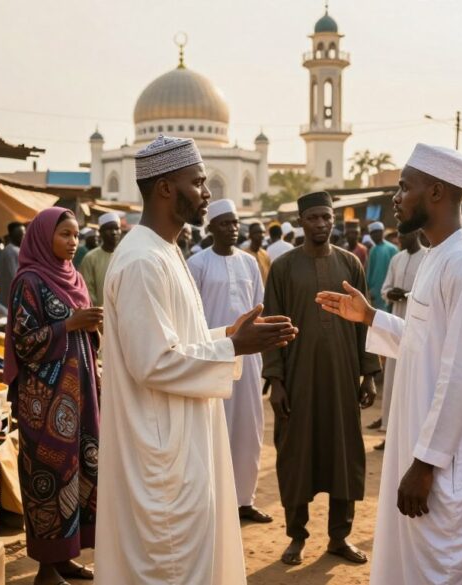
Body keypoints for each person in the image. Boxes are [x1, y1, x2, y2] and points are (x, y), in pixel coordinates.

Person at [94, 136, 296, 584]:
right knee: (172, 567)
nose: (207, 192)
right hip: (163, 456)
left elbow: (175, 339)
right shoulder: (143, 260)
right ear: (166, 188)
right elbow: (153, 361)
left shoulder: (165, 250)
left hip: (182, 443)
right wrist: (233, 347)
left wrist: (228, 333)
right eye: (198, 181)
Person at [316, 143, 462, 584]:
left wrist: (426, 463)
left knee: (443, 568)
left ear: (437, 192)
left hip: (449, 460)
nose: (396, 197)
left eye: (405, 187)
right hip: (428, 448)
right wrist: (371, 317)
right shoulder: (436, 254)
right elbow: (429, 342)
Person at [263, 191, 380, 567]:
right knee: (296, 456)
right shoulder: (283, 268)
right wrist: (276, 380)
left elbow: (365, 323)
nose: (321, 224)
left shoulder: (350, 264)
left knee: (343, 455)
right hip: (298, 380)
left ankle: (339, 537)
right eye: (313, 218)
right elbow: (272, 327)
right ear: (301, 222)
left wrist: (369, 374)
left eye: (326, 217)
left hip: (343, 378)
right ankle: (296, 536)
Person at [3, 207, 102, 585]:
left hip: (81, 397)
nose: (73, 242)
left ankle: (66, 558)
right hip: (44, 403)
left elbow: (82, 333)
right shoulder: (28, 281)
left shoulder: (73, 276)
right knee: (50, 474)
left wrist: (90, 327)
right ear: (44, 237)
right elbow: (23, 343)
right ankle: (45, 569)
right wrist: (71, 323)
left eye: (76, 235)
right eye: (65, 234)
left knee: (79, 472)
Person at [188, 199, 272, 524]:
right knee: (214, 425)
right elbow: (192, 316)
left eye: (235, 223)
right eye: (225, 223)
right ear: (211, 228)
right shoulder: (197, 264)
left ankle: (243, 500)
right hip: (214, 355)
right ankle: (215, 501)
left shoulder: (250, 264)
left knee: (249, 426)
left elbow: (258, 309)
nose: (232, 229)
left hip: (248, 359)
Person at [374, 228, 427, 444]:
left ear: (415, 234)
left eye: (403, 235)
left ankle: (412, 436)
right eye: (398, 235)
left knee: (415, 378)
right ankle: (390, 434)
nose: (399, 239)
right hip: (396, 319)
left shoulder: (427, 257)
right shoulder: (396, 259)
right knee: (393, 378)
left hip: (418, 323)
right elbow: (384, 289)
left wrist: (408, 295)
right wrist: (391, 293)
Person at [78, 213, 121, 307]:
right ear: (100, 232)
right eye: (109, 229)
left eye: (117, 229)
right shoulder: (90, 258)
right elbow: (87, 289)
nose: (114, 232)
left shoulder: (125, 256)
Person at [365, 222, 397, 312]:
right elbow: (369, 272)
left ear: (382, 232)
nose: (374, 235)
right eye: (372, 233)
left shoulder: (392, 249)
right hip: (375, 292)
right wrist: (369, 290)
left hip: (389, 290)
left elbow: (396, 271)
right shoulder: (372, 250)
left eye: (377, 232)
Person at [0, 221, 26, 314]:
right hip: (10, 300)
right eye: (23, 235)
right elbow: (16, 277)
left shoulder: (7, 250)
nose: (24, 238)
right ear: (15, 236)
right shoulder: (14, 251)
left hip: (4, 299)